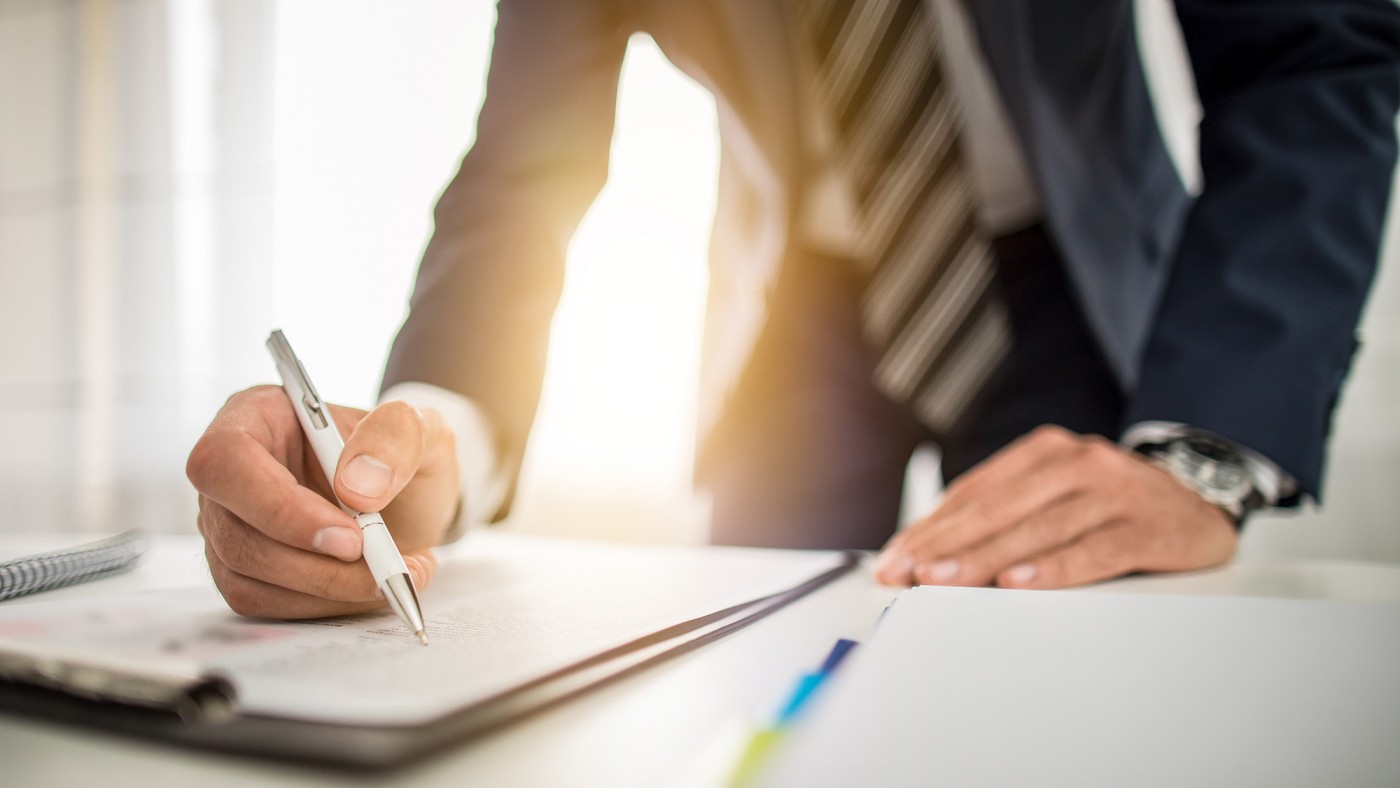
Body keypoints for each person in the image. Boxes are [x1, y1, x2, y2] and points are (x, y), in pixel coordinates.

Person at [187, 0, 1400, 618]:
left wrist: (1198, 452)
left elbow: (1306, 56)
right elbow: (523, 171)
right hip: (791, 313)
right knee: (749, 651)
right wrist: (430, 431)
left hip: (1071, 280)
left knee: (1079, 651)